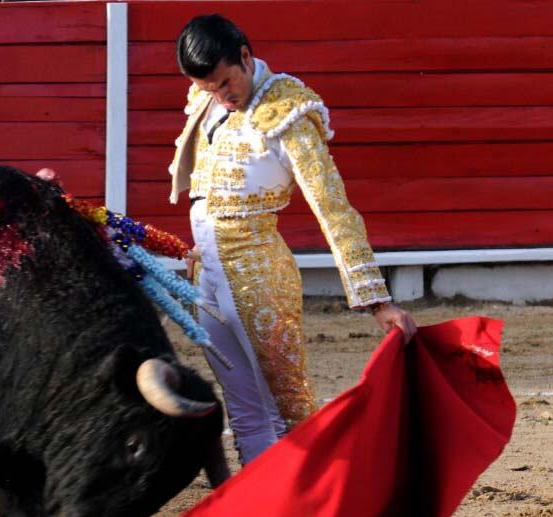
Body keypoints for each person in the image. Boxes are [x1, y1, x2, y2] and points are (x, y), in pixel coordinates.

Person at [170, 14, 416, 465]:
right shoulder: (208, 102)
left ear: (246, 57)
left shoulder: (289, 111)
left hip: (258, 274)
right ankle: (263, 504)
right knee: (243, 412)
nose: (221, 97)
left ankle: (314, 499)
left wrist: (376, 299)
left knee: (288, 412)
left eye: (225, 83)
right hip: (206, 275)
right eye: (208, 89)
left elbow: (332, 208)